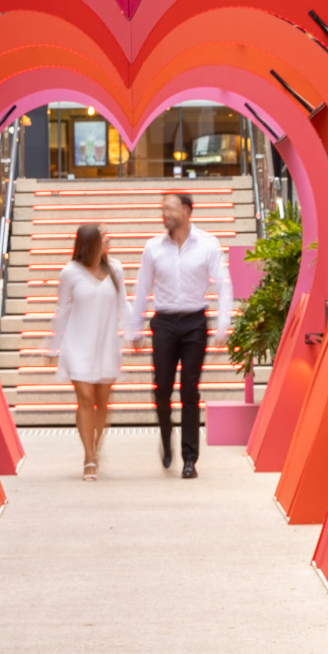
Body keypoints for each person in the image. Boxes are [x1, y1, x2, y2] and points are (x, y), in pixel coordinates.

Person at [128, 191, 231, 478]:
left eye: (169, 209)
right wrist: (135, 327)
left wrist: (223, 324)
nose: (164, 214)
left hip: (195, 323)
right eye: (162, 209)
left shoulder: (208, 244)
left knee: (189, 391)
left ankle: (189, 458)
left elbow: (223, 285)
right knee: (161, 389)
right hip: (164, 324)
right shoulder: (153, 247)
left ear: (187, 211)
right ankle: (165, 439)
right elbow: (142, 287)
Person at [46, 223, 126, 480]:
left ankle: (96, 445)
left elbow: (124, 303)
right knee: (85, 398)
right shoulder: (70, 272)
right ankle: (89, 457)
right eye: (104, 239)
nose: (108, 242)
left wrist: (135, 332)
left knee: (102, 402)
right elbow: (61, 310)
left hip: (105, 344)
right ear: (90, 244)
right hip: (77, 343)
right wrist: (52, 345)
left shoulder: (116, 269)